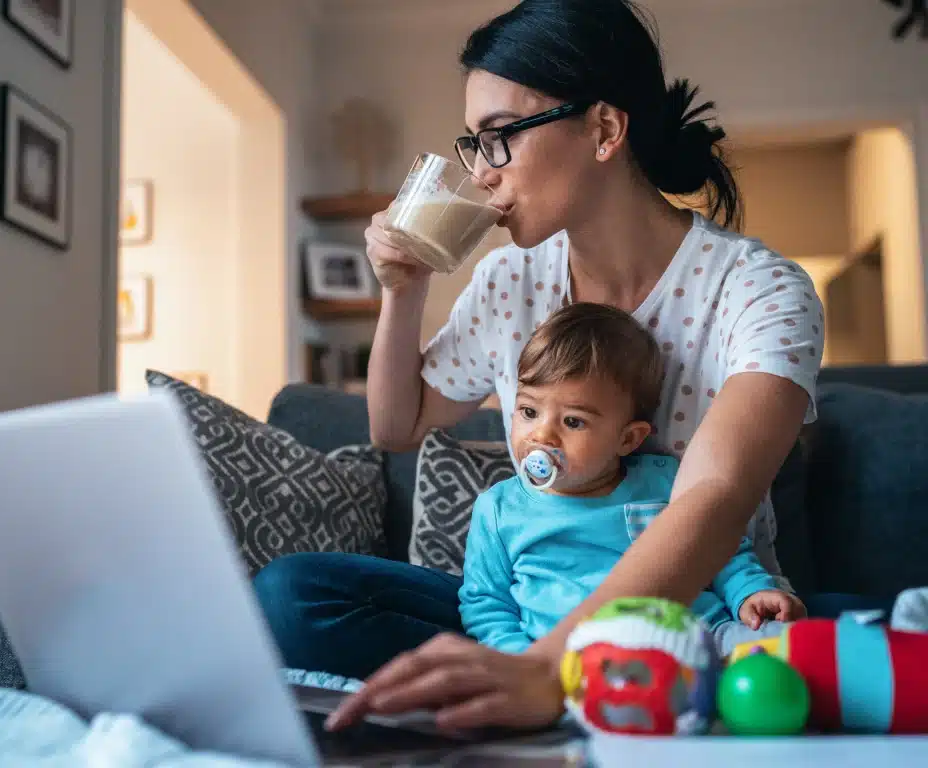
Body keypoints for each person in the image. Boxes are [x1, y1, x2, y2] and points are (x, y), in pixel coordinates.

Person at [253, 0, 894, 732]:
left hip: (698, 613)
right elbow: (397, 426)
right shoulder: (507, 281)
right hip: (533, 617)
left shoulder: (760, 291)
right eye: (474, 145)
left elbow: (712, 497)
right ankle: (528, 683)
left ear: (604, 129)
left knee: (847, 649)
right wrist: (404, 291)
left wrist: (551, 666)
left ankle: (559, 686)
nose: (484, 175)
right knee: (291, 595)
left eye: (500, 140)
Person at [459, 302, 805, 660]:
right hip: (574, 664)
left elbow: (720, 551)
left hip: (698, 639)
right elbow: (486, 605)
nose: (542, 435)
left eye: (574, 422)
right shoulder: (498, 510)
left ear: (628, 439)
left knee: (786, 647)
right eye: (529, 412)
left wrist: (750, 592)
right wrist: (521, 663)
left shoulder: (666, 481)